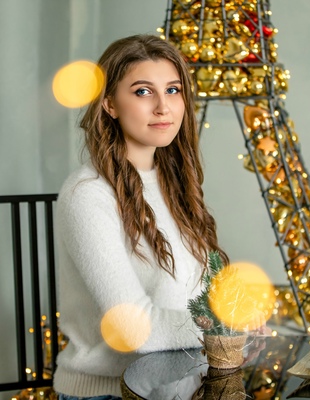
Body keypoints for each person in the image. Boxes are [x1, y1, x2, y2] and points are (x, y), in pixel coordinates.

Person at [53, 34, 229, 399]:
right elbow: (133, 329)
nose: (163, 107)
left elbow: (196, 297)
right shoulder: (87, 195)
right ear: (109, 104)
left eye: (173, 90)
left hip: (179, 386)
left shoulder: (175, 184)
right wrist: (224, 328)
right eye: (143, 92)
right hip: (109, 393)